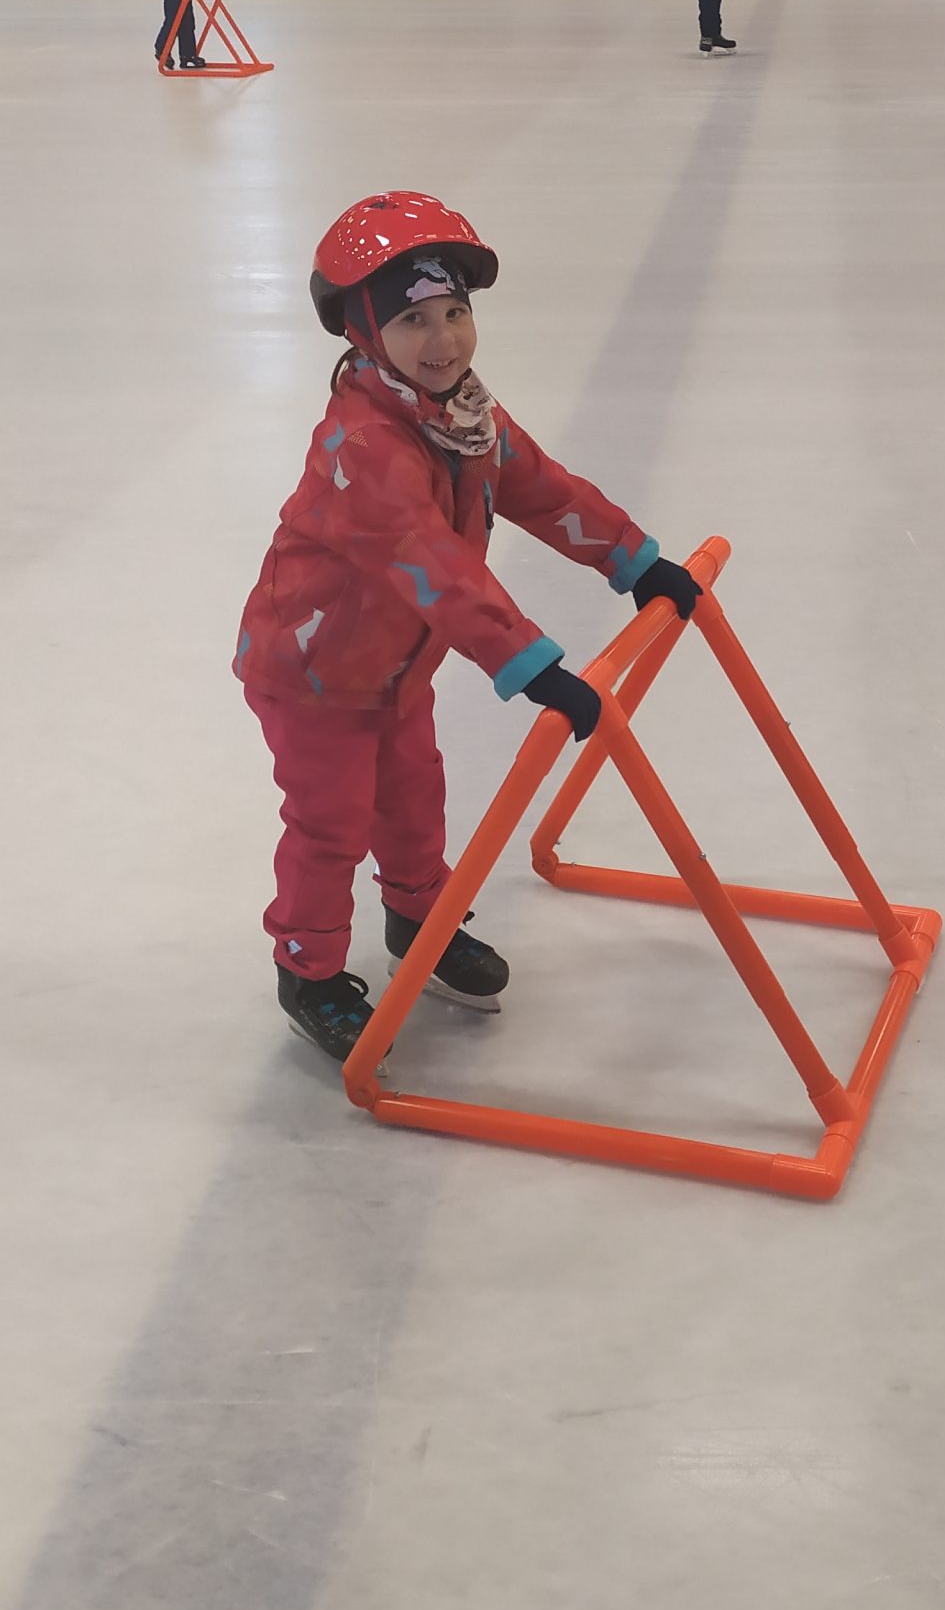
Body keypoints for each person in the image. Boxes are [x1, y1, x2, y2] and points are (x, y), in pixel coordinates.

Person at [235, 190, 701, 1065]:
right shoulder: (363, 448)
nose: (443, 339)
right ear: (363, 333)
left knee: (415, 801)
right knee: (332, 824)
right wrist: (533, 664)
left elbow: (542, 489)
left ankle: (422, 923)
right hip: (315, 673)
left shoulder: (463, 415)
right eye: (413, 320)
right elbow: (434, 567)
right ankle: (309, 973)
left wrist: (634, 561)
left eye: (455, 311)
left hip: (397, 668)